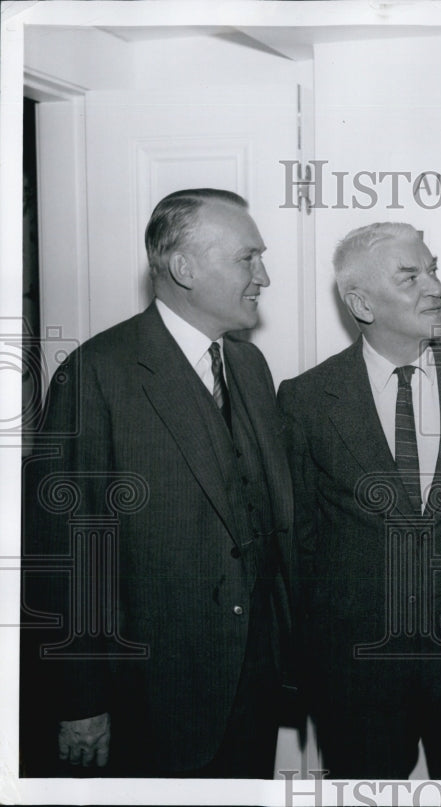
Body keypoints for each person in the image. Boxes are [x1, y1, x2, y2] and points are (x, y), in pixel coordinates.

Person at [22, 189, 294, 778]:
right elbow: (64, 557)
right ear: (183, 267)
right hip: (153, 699)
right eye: (248, 258)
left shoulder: (249, 366)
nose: (264, 276)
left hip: (252, 690)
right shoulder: (97, 374)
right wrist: (80, 703)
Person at [278, 222, 441, 779]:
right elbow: (303, 542)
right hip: (357, 665)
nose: (434, 287)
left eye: (433, 269)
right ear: (361, 302)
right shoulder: (307, 400)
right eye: (410, 276)